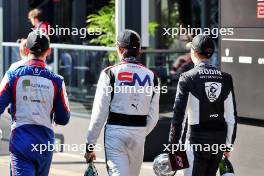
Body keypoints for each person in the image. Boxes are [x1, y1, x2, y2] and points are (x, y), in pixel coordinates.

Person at [84, 29, 160, 176]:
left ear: (119, 49)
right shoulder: (152, 76)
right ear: (139, 51)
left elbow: (99, 114)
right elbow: (153, 117)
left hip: (115, 132)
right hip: (138, 133)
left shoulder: (109, 73)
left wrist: (90, 145)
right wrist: (140, 131)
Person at [0, 30, 70, 176]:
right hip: (45, 143)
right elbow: (63, 118)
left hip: (21, 141)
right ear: (49, 51)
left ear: (26, 50)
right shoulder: (57, 80)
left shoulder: (12, 75)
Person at [168, 34, 237, 176]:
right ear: (210, 54)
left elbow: (178, 117)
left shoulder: (187, 77)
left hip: (196, 141)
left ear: (193, 53)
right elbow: (231, 117)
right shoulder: (226, 78)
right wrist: (228, 145)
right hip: (218, 142)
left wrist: (173, 146)